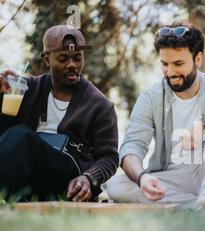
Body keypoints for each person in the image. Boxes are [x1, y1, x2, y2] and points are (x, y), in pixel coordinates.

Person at [106, 22, 205, 209]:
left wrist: (204, 122)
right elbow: (132, 145)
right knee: (117, 185)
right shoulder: (151, 97)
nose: (171, 72)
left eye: (178, 63)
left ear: (198, 59)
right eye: (165, 64)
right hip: (177, 176)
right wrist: (142, 178)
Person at [0, 25, 119, 202]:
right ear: (47, 58)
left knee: (23, 137)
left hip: (68, 176)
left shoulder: (99, 105)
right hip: (29, 172)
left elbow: (109, 157)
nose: (72, 65)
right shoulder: (26, 88)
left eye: (77, 58)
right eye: (63, 58)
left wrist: (89, 177)